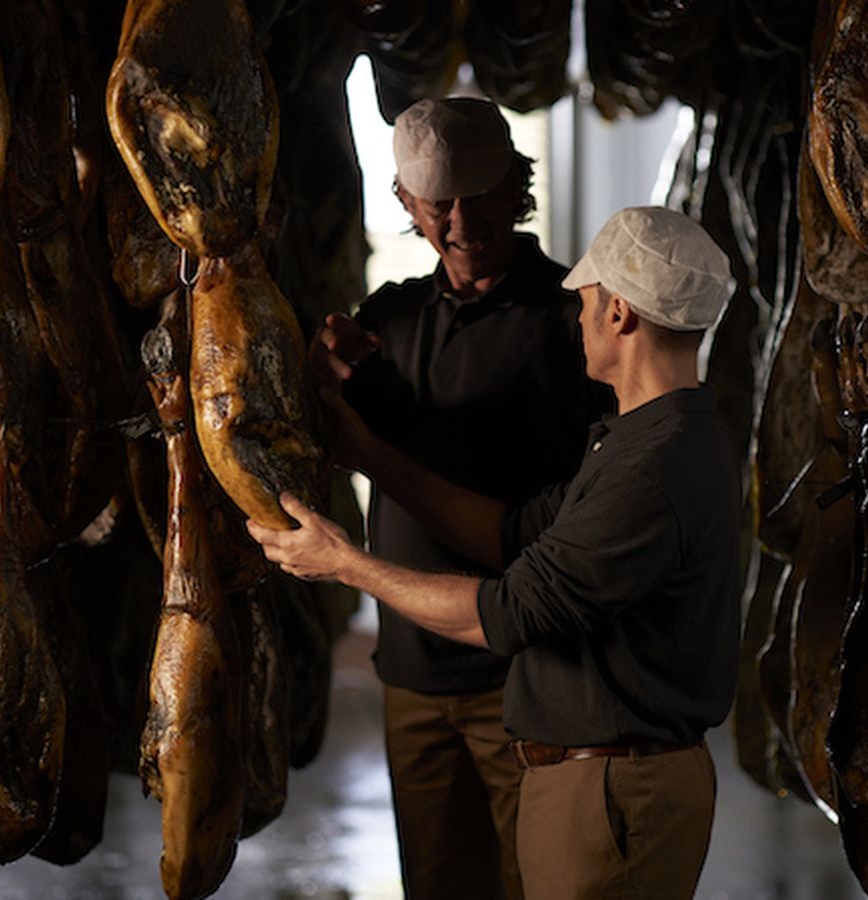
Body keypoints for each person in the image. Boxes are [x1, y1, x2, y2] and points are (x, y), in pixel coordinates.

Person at [252, 206, 743, 900]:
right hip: (600, 785)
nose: (576, 319)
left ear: (621, 316)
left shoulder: (653, 468)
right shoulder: (653, 438)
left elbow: (506, 612)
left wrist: (343, 562)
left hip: (612, 795)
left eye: (585, 304)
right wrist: (369, 456)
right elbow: (515, 533)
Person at [314, 97, 602, 900]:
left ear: (517, 185)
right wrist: (315, 369)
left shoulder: (573, 318)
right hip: (411, 677)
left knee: (540, 885)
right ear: (406, 204)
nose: (461, 219)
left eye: (479, 193)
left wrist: (372, 451)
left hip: (527, 679)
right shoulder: (389, 319)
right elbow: (323, 441)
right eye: (438, 202)